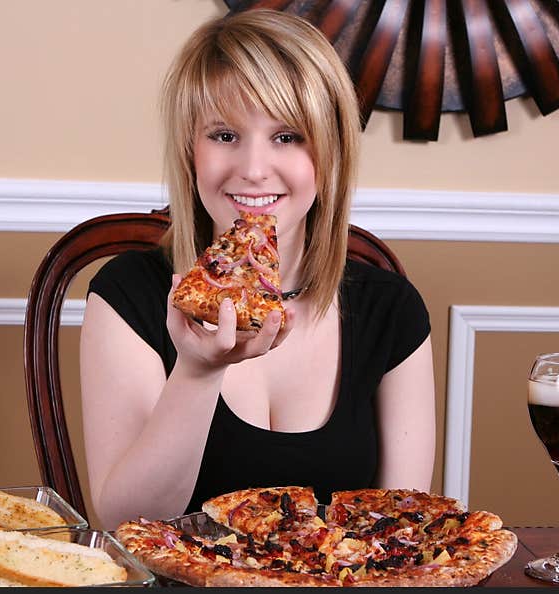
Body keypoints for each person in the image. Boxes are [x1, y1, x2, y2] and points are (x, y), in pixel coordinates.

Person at [80, 9, 435, 529]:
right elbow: (126, 526)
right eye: (224, 135)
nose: (251, 169)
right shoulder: (127, 292)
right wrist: (198, 371)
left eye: (287, 136)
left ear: (330, 153)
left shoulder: (392, 311)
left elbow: (398, 535)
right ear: (190, 152)